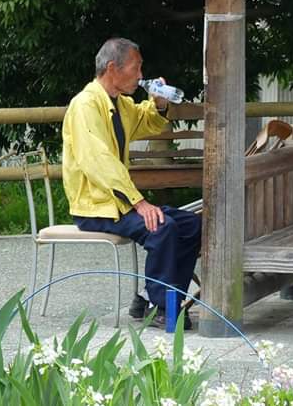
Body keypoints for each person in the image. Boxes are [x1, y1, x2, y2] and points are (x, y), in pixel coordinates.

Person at [62, 37, 202, 327]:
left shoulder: (119, 104)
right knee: (162, 227)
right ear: (112, 68)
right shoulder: (85, 105)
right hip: (96, 208)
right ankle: (161, 306)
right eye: (136, 68)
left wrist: (159, 104)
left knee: (191, 224)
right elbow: (98, 160)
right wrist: (139, 202)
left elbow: (147, 121)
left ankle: (162, 299)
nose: (140, 75)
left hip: (118, 203)